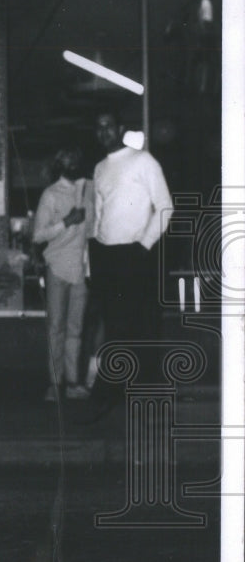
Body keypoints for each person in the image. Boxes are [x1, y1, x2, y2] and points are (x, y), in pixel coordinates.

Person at [86, 112, 173, 417]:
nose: (104, 131)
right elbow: (98, 216)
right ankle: (108, 397)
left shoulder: (143, 161)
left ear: (120, 129)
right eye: (99, 127)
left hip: (135, 255)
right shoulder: (99, 169)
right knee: (113, 328)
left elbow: (165, 207)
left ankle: (145, 402)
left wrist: (144, 244)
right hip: (107, 256)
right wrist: (92, 256)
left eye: (109, 125)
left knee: (141, 328)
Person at [33, 145, 96, 402]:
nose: (72, 165)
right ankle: (55, 383)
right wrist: (66, 222)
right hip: (57, 266)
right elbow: (37, 235)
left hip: (81, 268)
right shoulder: (51, 194)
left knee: (76, 329)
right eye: (67, 160)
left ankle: (73, 383)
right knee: (56, 328)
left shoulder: (91, 190)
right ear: (60, 164)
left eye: (76, 160)